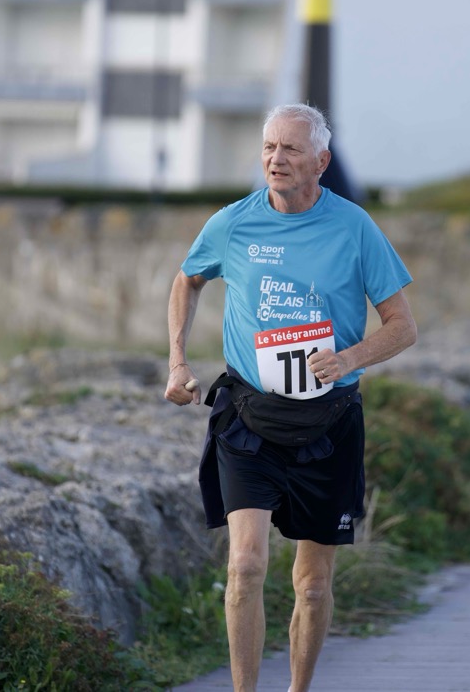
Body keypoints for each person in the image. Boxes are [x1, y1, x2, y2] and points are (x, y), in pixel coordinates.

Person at [164, 103, 417, 692]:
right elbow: (187, 280)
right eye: (269, 148)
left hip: (329, 421)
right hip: (248, 416)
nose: (276, 159)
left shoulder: (354, 227)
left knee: (313, 585)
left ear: (321, 162)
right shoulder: (234, 223)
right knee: (245, 564)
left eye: (291, 150)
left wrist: (349, 359)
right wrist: (177, 360)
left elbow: (403, 326)